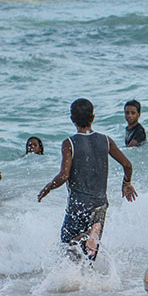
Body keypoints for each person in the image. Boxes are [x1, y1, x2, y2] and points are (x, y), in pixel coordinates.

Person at [37, 98, 137, 260]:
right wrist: (127, 183)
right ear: (93, 117)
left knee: (67, 250)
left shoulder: (69, 143)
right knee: (89, 257)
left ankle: (82, 238)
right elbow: (127, 165)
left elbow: (64, 176)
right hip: (99, 204)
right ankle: (90, 234)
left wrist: (48, 187)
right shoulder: (106, 140)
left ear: (72, 119)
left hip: (78, 205)